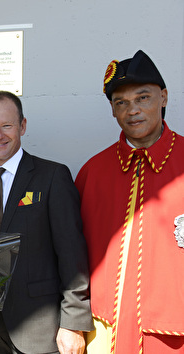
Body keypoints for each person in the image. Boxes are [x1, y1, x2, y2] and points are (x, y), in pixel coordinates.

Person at [0, 90, 93, 353]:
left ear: (22, 125)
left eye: (7, 125)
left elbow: (71, 254)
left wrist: (73, 323)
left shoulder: (52, 176)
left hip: (43, 330)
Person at [75, 50, 184, 353]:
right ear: (112, 110)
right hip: (102, 332)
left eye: (142, 98)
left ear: (163, 97)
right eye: (121, 102)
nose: (132, 110)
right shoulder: (92, 172)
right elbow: (71, 258)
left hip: (173, 336)